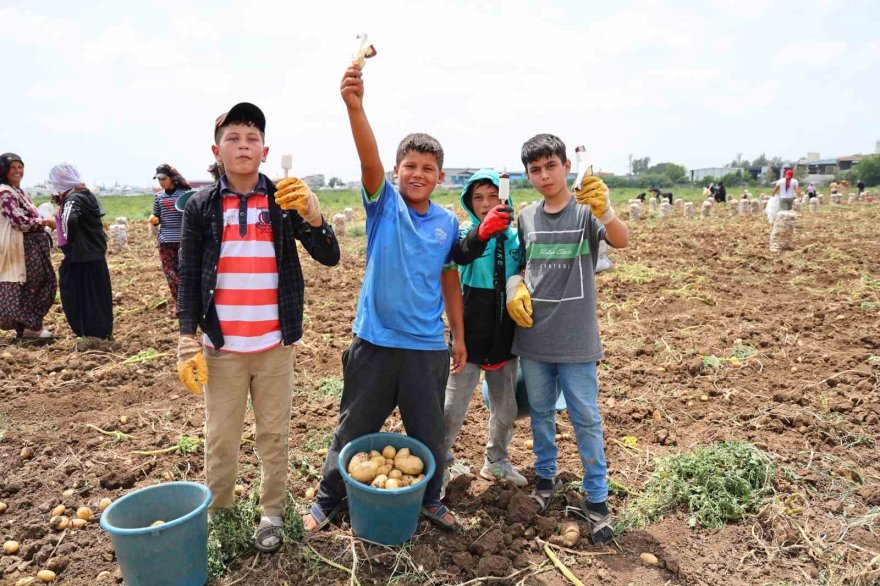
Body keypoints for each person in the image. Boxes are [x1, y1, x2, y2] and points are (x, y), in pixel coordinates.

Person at [304, 64, 467, 533]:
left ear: (439, 177)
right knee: (353, 427)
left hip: (425, 347)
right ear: (397, 172)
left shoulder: (447, 224)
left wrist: (457, 335)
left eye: (427, 169)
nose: (418, 174)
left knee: (428, 434)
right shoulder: (384, 207)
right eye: (409, 166)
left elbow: (449, 282)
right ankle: (328, 499)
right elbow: (368, 159)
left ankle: (431, 499)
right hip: (374, 342)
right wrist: (355, 107)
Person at [176, 102, 340, 553]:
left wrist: (313, 215)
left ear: (265, 151)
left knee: (273, 435)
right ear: (217, 150)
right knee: (220, 437)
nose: (243, 146)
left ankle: (271, 512)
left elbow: (329, 255)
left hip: (274, 344)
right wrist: (186, 338)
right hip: (221, 347)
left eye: (252, 139)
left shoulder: (283, 201)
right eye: (234, 138)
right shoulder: (201, 206)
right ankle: (221, 516)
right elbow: (189, 275)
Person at [505, 134, 629, 544]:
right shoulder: (525, 217)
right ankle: (545, 480)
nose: (544, 176)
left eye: (550, 166)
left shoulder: (585, 212)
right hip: (535, 339)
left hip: (577, 342)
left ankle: (597, 499)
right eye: (535, 170)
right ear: (528, 174)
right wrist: (514, 286)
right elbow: (521, 266)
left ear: (566, 167)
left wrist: (607, 211)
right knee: (541, 413)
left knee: (586, 418)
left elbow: (621, 239)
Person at [442, 169, 525, 494]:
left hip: (505, 337)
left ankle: (497, 461)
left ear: (505, 199)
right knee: (452, 408)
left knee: (506, 408)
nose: (486, 203)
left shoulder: (517, 237)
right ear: (468, 202)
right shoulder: (466, 231)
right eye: (478, 197)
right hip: (468, 338)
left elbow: (525, 270)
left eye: (493, 196)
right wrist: (484, 233)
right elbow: (462, 253)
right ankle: (442, 467)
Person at [48, 163, 113, 345]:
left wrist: (70, 241)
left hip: (80, 255)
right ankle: (102, 333)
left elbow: (70, 219)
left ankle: (89, 333)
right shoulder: (85, 194)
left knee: (77, 294)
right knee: (96, 294)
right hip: (93, 254)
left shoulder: (73, 198)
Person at [0, 153, 57, 339]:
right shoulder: (4, 193)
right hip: (21, 247)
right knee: (29, 285)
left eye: (20, 167)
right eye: (13, 168)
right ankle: (32, 328)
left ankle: (28, 328)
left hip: (31, 247)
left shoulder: (18, 191)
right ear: (4, 170)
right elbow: (18, 221)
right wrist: (43, 222)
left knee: (38, 283)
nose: (17, 171)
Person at [149, 164, 190, 308]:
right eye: (158, 179)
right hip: (166, 241)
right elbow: (157, 216)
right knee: (170, 274)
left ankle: (188, 302)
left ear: (172, 178)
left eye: (163, 179)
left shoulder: (185, 195)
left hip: (183, 241)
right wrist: (154, 220)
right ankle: (180, 304)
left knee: (185, 273)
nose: (161, 182)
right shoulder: (159, 197)